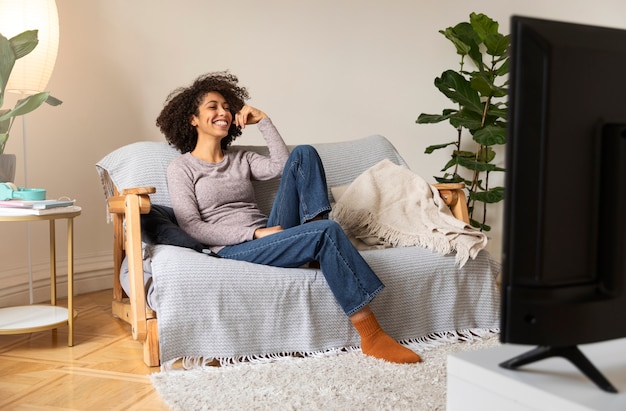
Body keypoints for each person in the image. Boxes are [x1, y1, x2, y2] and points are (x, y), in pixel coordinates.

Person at [156, 71, 421, 364]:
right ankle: (371, 335)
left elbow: (284, 166)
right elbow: (192, 227)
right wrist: (253, 235)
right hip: (235, 246)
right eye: (213, 106)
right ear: (193, 119)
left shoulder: (241, 158)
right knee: (326, 232)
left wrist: (265, 121)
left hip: (270, 232)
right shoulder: (182, 168)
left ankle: (316, 239)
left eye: (227, 107)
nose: (224, 112)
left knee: (304, 154)